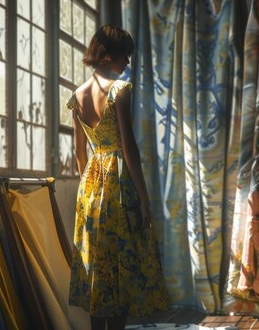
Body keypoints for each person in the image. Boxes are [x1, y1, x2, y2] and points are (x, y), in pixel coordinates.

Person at [66, 25, 170, 330]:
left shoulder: (77, 96)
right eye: (125, 54)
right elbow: (129, 148)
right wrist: (144, 197)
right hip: (118, 181)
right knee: (122, 262)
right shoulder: (119, 90)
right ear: (108, 54)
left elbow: (79, 153)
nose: (127, 61)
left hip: (91, 184)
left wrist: (87, 188)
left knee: (97, 264)